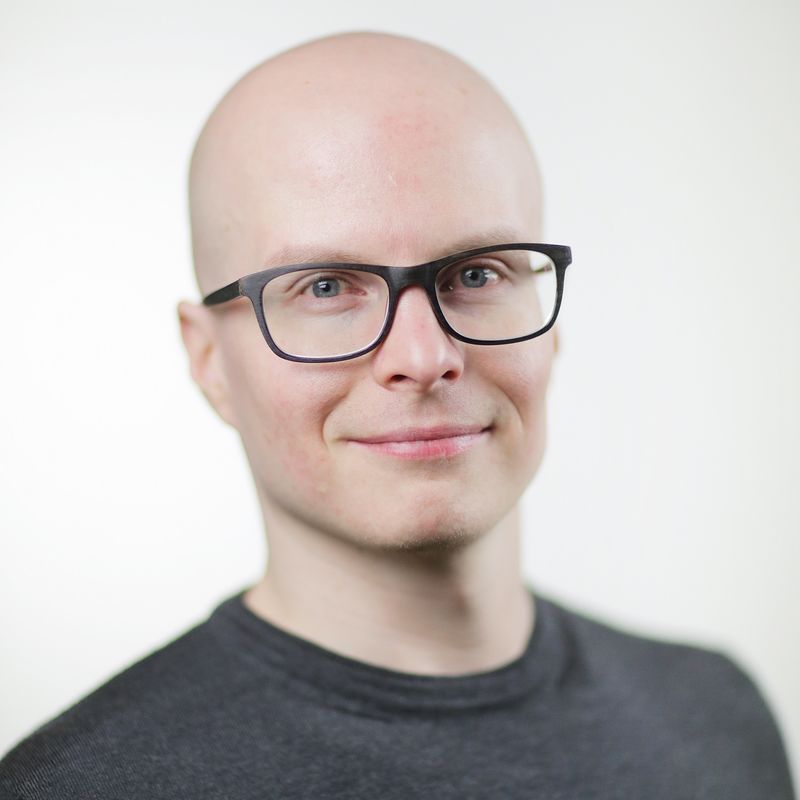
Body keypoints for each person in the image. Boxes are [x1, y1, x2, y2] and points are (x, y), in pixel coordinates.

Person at [0, 30, 794, 800]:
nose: (422, 355)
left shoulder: (716, 715)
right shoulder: (75, 786)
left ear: (550, 327)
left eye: (476, 274)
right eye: (324, 287)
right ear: (208, 360)